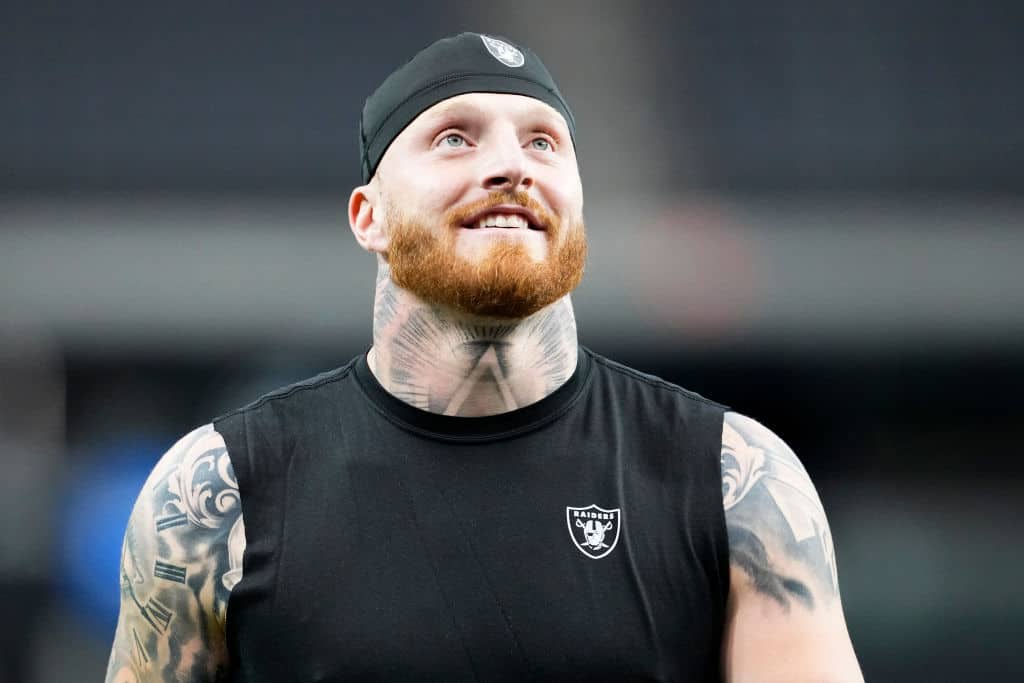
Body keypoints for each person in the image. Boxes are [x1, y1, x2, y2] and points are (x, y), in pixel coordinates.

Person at [106, 33, 863, 682]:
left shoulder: (736, 481)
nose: (512, 166)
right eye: (455, 138)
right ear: (369, 216)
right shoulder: (218, 492)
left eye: (543, 141)